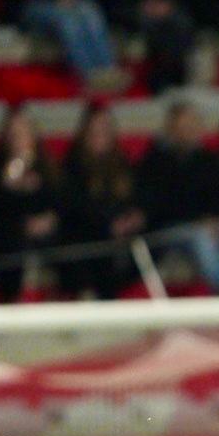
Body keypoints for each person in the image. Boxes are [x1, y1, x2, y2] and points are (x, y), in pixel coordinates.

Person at [136, 100, 219, 294]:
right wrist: (199, 221)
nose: (188, 131)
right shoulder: (156, 162)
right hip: (170, 228)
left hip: (207, 224)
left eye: (192, 124)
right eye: (182, 126)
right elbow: (159, 206)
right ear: (171, 128)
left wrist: (215, 219)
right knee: (202, 238)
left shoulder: (208, 159)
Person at [58, 103, 145, 299]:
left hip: (119, 235)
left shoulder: (122, 164)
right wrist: (108, 225)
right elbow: (75, 206)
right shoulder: (72, 165)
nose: (99, 134)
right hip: (84, 236)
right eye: (94, 129)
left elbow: (135, 199)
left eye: (104, 128)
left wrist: (132, 218)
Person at [0, 107, 62, 304]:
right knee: (10, 243)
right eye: (13, 133)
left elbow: (58, 200)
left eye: (23, 131)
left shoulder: (47, 166)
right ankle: (10, 301)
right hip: (8, 229)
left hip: (43, 229)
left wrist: (48, 219)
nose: (18, 137)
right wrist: (16, 170)